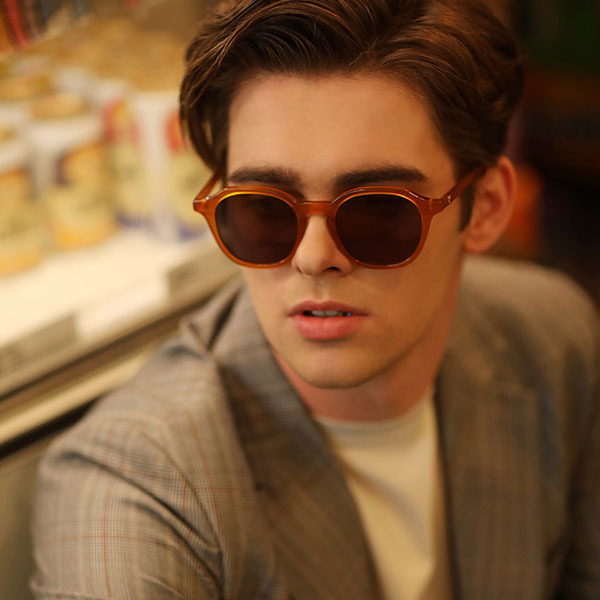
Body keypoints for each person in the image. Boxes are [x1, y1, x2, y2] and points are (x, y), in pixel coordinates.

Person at [31, 0, 600, 598]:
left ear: (485, 209)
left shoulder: (553, 337)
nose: (312, 256)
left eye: (377, 212)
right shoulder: (133, 492)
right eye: (266, 210)